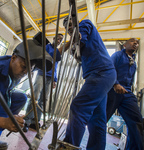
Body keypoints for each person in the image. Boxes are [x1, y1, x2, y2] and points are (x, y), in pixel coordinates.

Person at [62, 16, 116, 150]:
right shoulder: (79, 43)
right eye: (66, 27)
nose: (69, 29)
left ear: (76, 22)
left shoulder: (85, 24)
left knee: (78, 107)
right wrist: (73, 50)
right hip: (104, 75)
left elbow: (80, 35)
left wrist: (67, 43)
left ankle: (69, 146)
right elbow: (78, 56)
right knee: (97, 120)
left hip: (101, 73)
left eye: (70, 25)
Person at [106, 38, 143, 150]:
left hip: (127, 92)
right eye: (132, 42)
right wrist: (115, 84)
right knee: (102, 119)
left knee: (137, 122)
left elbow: (131, 80)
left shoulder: (134, 62)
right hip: (113, 90)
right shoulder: (117, 55)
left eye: (137, 43)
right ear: (124, 45)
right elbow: (109, 68)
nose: (135, 44)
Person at [23, 33, 65, 132]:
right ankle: (27, 121)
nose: (59, 41)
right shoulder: (47, 47)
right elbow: (40, 57)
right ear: (54, 38)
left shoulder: (58, 52)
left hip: (50, 78)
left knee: (43, 100)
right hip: (41, 74)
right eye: (58, 39)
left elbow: (55, 66)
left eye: (61, 41)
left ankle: (35, 121)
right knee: (35, 97)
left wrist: (55, 80)